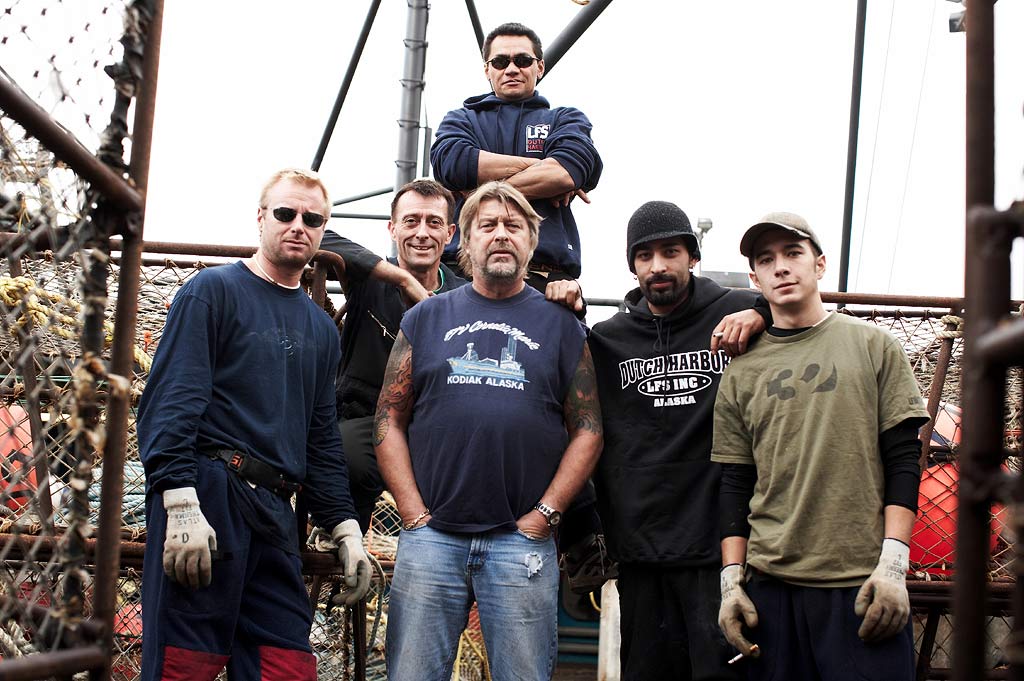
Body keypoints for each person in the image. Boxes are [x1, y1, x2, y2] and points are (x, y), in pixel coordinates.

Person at [137, 168, 371, 680]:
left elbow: (320, 438)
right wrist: (179, 501)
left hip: (275, 509)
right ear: (261, 217)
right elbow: (172, 399)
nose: (298, 226)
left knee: (284, 664)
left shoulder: (321, 329)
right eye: (286, 213)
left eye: (313, 219)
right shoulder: (213, 291)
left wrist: (345, 527)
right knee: (184, 663)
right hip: (210, 493)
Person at [374, 181, 603, 681]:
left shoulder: (562, 326)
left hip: (521, 543)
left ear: (531, 242)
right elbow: (388, 418)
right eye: (488, 225)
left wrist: (544, 516)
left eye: (514, 226)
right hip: (432, 538)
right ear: (466, 241)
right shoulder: (424, 318)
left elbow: (588, 429)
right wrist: (412, 513)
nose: (501, 234)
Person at [712, 213, 930, 681]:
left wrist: (894, 564)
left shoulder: (874, 346)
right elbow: (735, 481)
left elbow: (903, 460)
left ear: (820, 264)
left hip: (860, 585)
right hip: (770, 590)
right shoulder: (741, 372)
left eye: (793, 253)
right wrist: (731, 581)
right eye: (766, 260)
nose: (781, 267)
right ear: (755, 279)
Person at [588, 200, 768, 680]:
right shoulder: (607, 339)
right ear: (632, 266)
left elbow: (797, 304)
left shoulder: (733, 310)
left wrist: (761, 314)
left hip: (721, 547)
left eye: (671, 252)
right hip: (641, 549)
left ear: (693, 256)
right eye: (645, 255)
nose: (658, 266)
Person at [319, 179, 467, 532]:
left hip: (437, 424)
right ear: (392, 228)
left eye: (433, 223)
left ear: (449, 234)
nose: (421, 233)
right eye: (410, 221)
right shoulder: (369, 278)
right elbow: (319, 236)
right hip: (366, 417)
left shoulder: (465, 295)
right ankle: (341, 536)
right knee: (343, 454)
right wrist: (402, 279)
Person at [430, 21, 602, 288]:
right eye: (500, 62)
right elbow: (453, 163)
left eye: (522, 60)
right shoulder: (461, 119)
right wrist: (544, 169)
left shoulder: (566, 118)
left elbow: (566, 171)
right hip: (464, 273)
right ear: (487, 69)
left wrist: (476, 195)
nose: (511, 69)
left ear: (539, 67)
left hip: (546, 275)